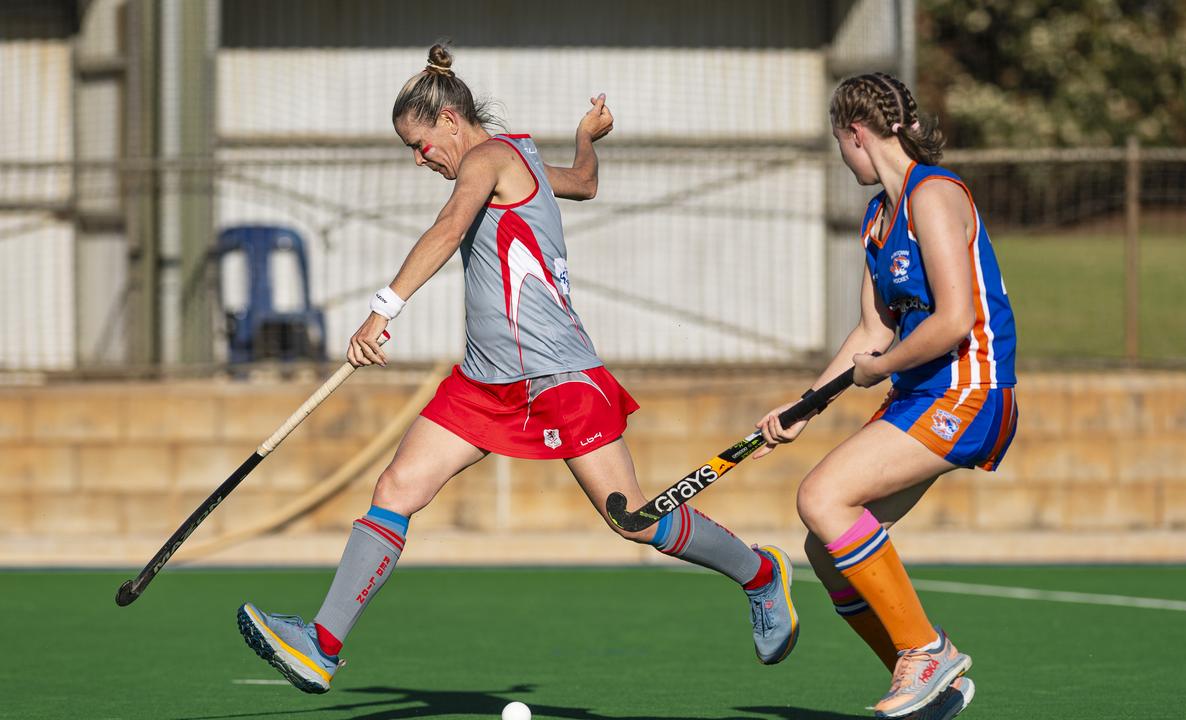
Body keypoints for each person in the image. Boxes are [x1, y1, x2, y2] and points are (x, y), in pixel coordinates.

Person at [236, 44, 799, 695]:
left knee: (634, 519)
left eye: (421, 145)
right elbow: (583, 183)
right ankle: (322, 643)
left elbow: (450, 227)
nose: (422, 160)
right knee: (396, 489)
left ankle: (760, 575)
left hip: (560, 379)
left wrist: (382, 310)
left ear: (451, 118)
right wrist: (586, 139)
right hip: (484, 384)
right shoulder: (521, 157)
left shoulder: (488, 157)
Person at [754, 72, 1017, 719]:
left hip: (969, 388)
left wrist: (884, 366)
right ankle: (932, 683)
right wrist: (803, 406)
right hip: (918, 393)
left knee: (821, 497)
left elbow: (954, 319)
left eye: (839, 145)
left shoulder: (934, 195)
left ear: (856, 134)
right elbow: (871, 332)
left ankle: (925, 651)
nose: (843, 159)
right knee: (826, 548)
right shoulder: (879, 219)